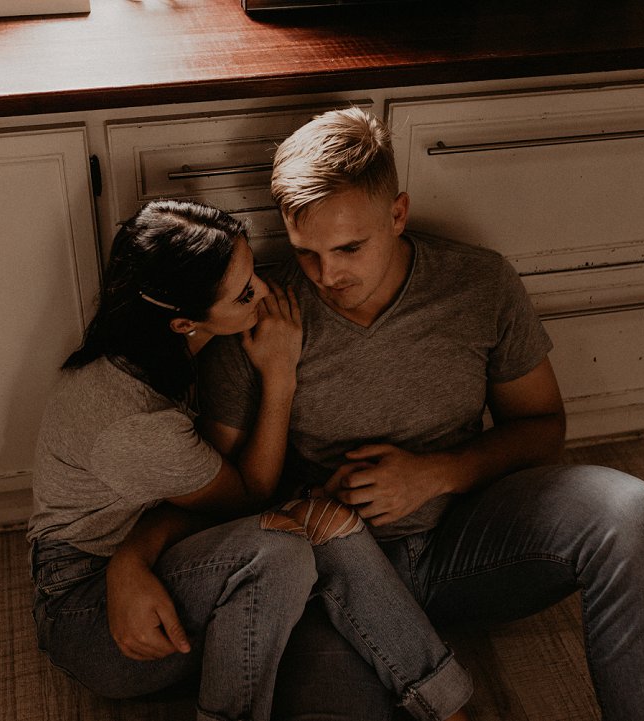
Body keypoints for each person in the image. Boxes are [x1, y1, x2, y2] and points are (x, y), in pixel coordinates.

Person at [198, 108, 644, 720]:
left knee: (630, 510)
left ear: (397, 214)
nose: (328, 275)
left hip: (465, 542)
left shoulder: (478, 283)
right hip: (330, 581)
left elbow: (544, 430)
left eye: (350, 247)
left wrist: (436, 474)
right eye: (306, 252)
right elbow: (226, 499)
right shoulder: (260, 316)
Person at [26, 199, 474, 721]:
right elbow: (247, 498)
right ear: (183, 323)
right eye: (244, 293)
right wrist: (280, 375)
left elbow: (215, 503)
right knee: (279, 552)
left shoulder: (159, 350)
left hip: (160, 552)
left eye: (254, 272)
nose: (263, 291)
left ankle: (447, 708)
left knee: (327, 522)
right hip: (92, 610)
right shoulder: (133, 421)